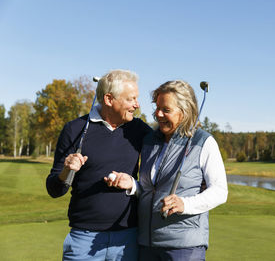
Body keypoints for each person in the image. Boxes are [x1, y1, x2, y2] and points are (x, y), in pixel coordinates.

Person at [107, 80, 228, 261]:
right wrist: (132, 185)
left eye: (166, 110)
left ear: (185, 112)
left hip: (184, 248)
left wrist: (185, 204)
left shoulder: (203, 142)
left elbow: (220, 191)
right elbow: (151, 190)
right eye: (157, 108)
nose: (158, 114)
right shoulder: (150, 141)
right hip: (147, 244)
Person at [46, 69, 152, 261]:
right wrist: (66, 171)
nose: (137, 105)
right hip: (83, 240)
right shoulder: (75, 129)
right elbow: (54, 189)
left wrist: (132, 184)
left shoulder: (141, 131)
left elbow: (158, 176)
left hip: (127, 239)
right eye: (131, 99)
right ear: (109, 99)